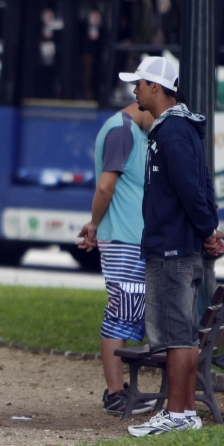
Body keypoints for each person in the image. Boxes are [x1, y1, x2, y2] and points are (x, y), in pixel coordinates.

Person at [117, 56, 224, 436]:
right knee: (181, 333)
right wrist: (207, 230)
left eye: (139, 84)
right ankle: (181, 413)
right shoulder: (181, 128)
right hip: (179, 247)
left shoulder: (172, 131)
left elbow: (189, 189)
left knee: (176, 334)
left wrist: (207, 230)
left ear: (154, 87)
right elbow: (204, 184)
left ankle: (179, 414)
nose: (134, 91)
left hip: (170, 251)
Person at [77, 102, 155, 417]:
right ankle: (114, 394)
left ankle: (122, 390)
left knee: (130, 312)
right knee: (120, 313)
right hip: (123, 237)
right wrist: (94, 225)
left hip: (130, 236)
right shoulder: (122, 131)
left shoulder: (132, 130)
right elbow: (106, 186)